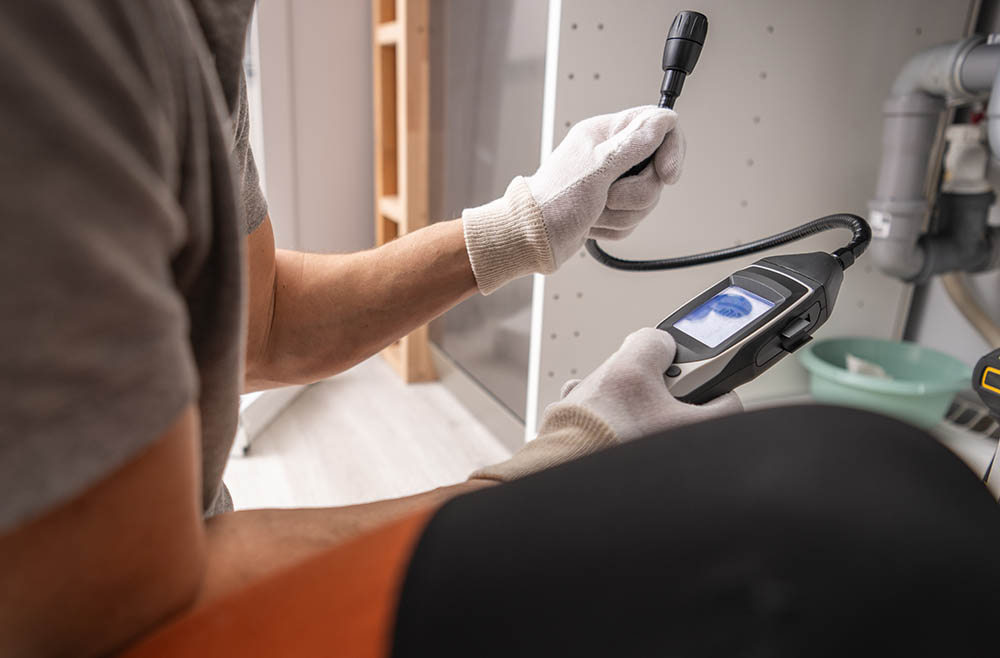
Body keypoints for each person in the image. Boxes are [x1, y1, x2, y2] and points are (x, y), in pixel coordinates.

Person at [5, 3, 1000, 657]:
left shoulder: (196, 29)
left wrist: (523, 224)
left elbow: (254, 322)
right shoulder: (67, 35)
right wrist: (572, 457)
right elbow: (100, 622)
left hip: (168, 570)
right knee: (868, 519)